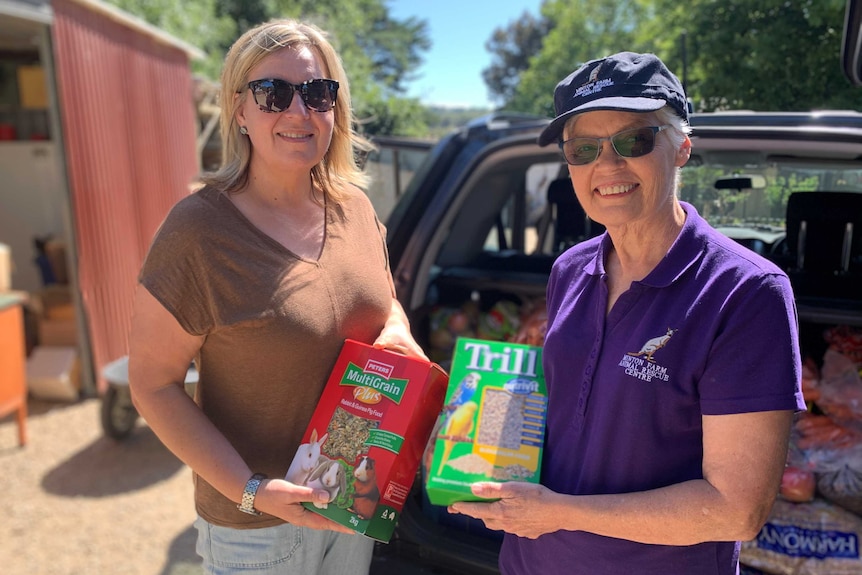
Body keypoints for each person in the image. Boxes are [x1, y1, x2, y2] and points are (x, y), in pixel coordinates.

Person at [450, 52, 805, 574]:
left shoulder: (747, 293)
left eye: (635, 141)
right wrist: (471, 431)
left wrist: (557, 514)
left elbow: (735, 510)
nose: (608, 166)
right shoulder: (570, 269)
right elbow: (564, 416)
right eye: (584, 148)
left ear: (682, 147)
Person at [127, 19, 427, 575]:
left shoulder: (355, 209)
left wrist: (398, 330)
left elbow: (383, 304)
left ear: (335, 108)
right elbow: (152, 383)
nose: (298, 111)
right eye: (273, 93)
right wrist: (251, 490)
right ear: (239, 109)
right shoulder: (198, 231)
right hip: (255, 532)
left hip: (347, 505)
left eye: (317, 92)